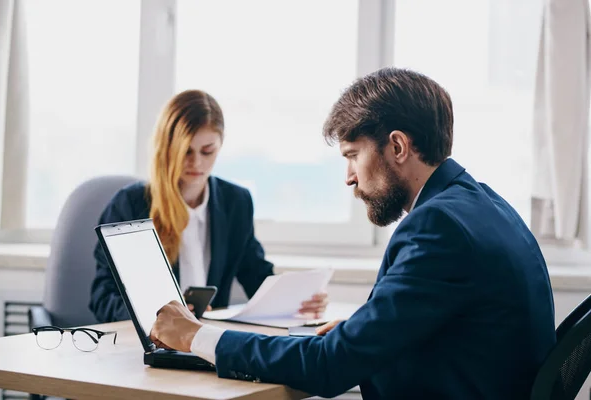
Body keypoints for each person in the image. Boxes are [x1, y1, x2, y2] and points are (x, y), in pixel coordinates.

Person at [149, 69, 556, 399]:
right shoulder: (485, 204)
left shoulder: (437, 228)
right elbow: (453, 324)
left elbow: (329, 367)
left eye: (352, 156)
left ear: (397, 146)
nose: (349, 178)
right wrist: (365, 329)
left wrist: (197, 336)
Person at [89, 90, 328, 323]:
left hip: (209, 342)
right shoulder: (129, 205)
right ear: (168, 149)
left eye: (207, 151)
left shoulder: (236, 202)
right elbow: (102, 297)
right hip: (152, 343)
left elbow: (256, 275)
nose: (197, 163)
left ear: (220, 145)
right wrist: (155, 313)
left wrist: (296, 301)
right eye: (186, 152)